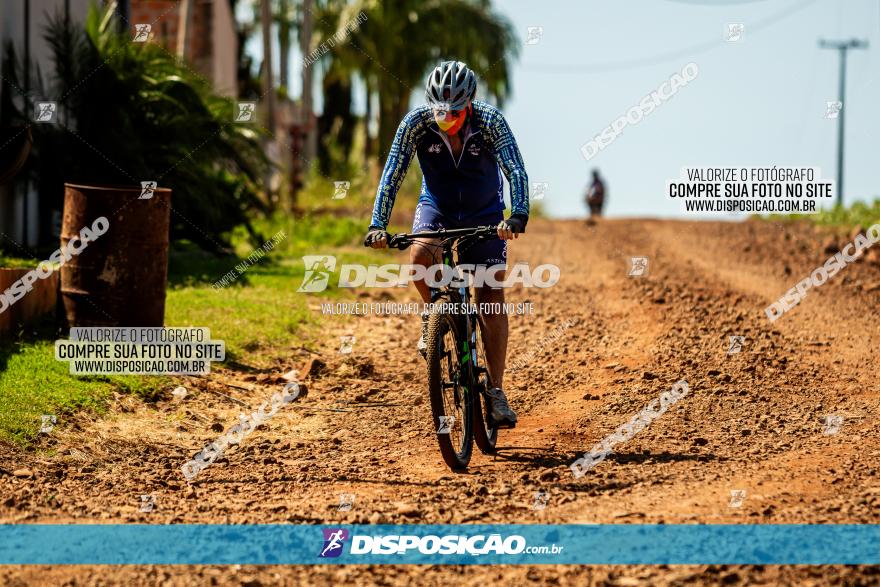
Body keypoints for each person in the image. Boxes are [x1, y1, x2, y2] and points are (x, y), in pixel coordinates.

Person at [364, 60, 529, 427]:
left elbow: (515, 169)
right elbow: (393, 171)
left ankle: (496, 391)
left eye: (454, 112)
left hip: (484, 212)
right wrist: (378, 223)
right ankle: (435, 316)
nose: (446, 118)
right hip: (436, 207)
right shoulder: (416, 123)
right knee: (420, 258)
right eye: (440, 110)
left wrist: (517, 215)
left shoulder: (490, 122)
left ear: (469, 105)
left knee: (489, 294)